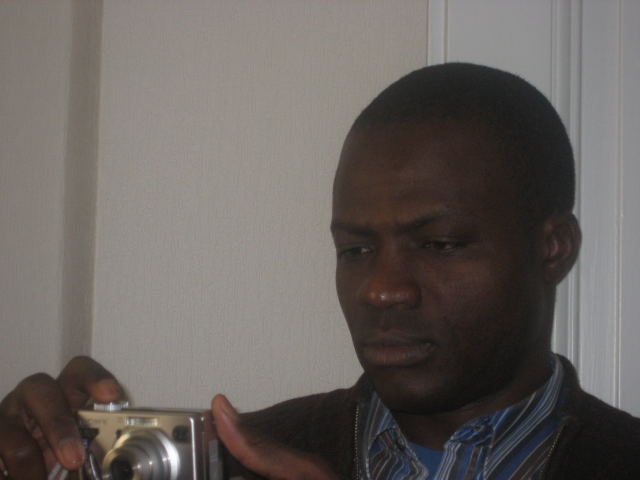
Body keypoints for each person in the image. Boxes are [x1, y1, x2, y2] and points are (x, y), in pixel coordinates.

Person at [1, 63, 639, 480]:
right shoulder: (241, 462)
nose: (382, 289)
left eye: (439, 244)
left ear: (553, 248)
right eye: (355, 250)